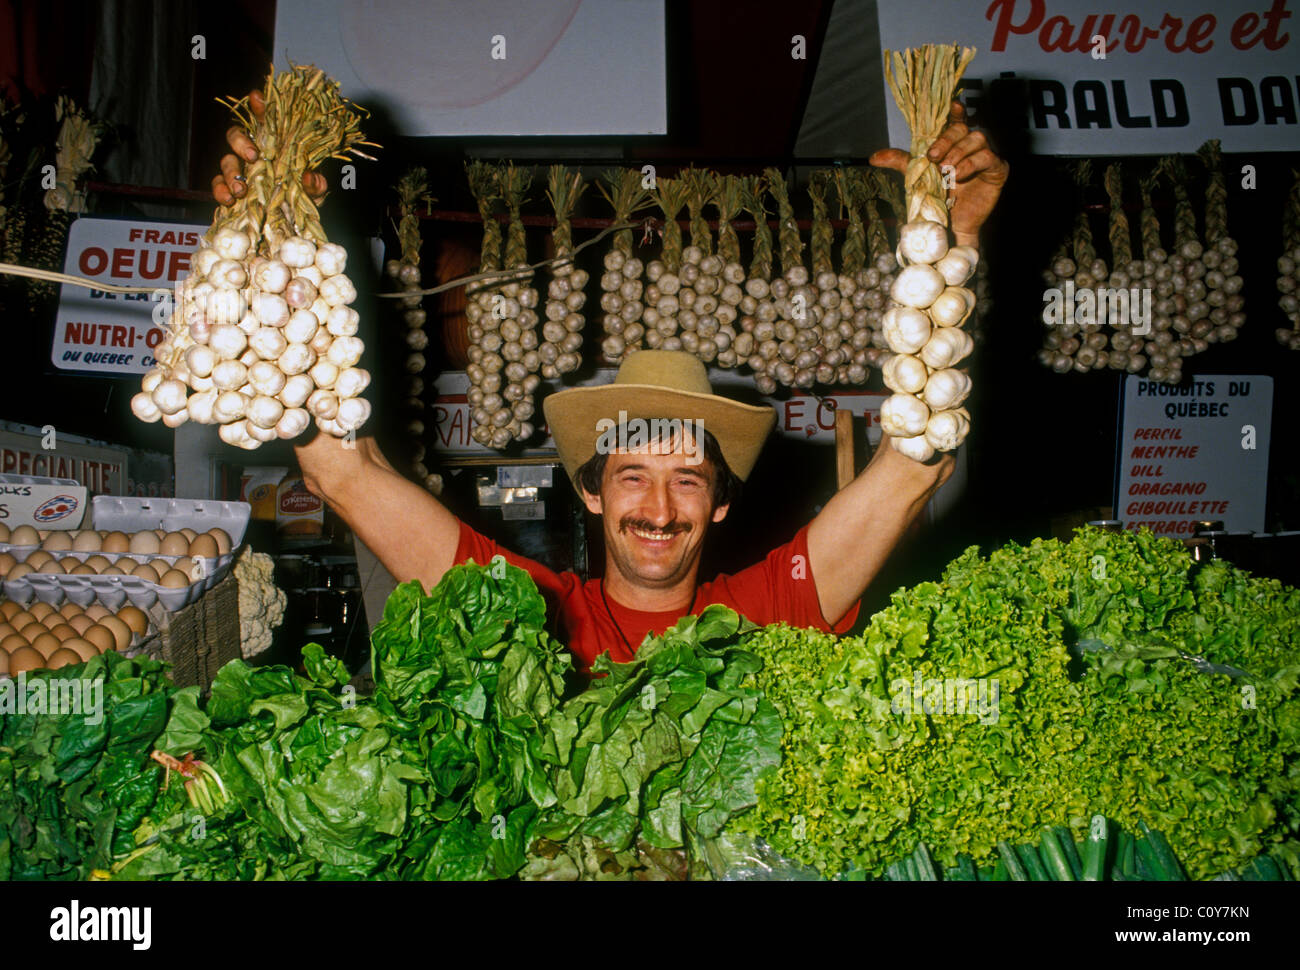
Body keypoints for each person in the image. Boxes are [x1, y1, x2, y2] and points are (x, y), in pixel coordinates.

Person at [214, 93, 1008, 672]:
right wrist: (281, 238)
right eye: (633, 475)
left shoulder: (771, 611)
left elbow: (914, 463)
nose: (659, 509)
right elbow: (342, 470)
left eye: (687, 478)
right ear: (591, 491)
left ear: (721, 501)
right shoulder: (523, 612)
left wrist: (956, 236)